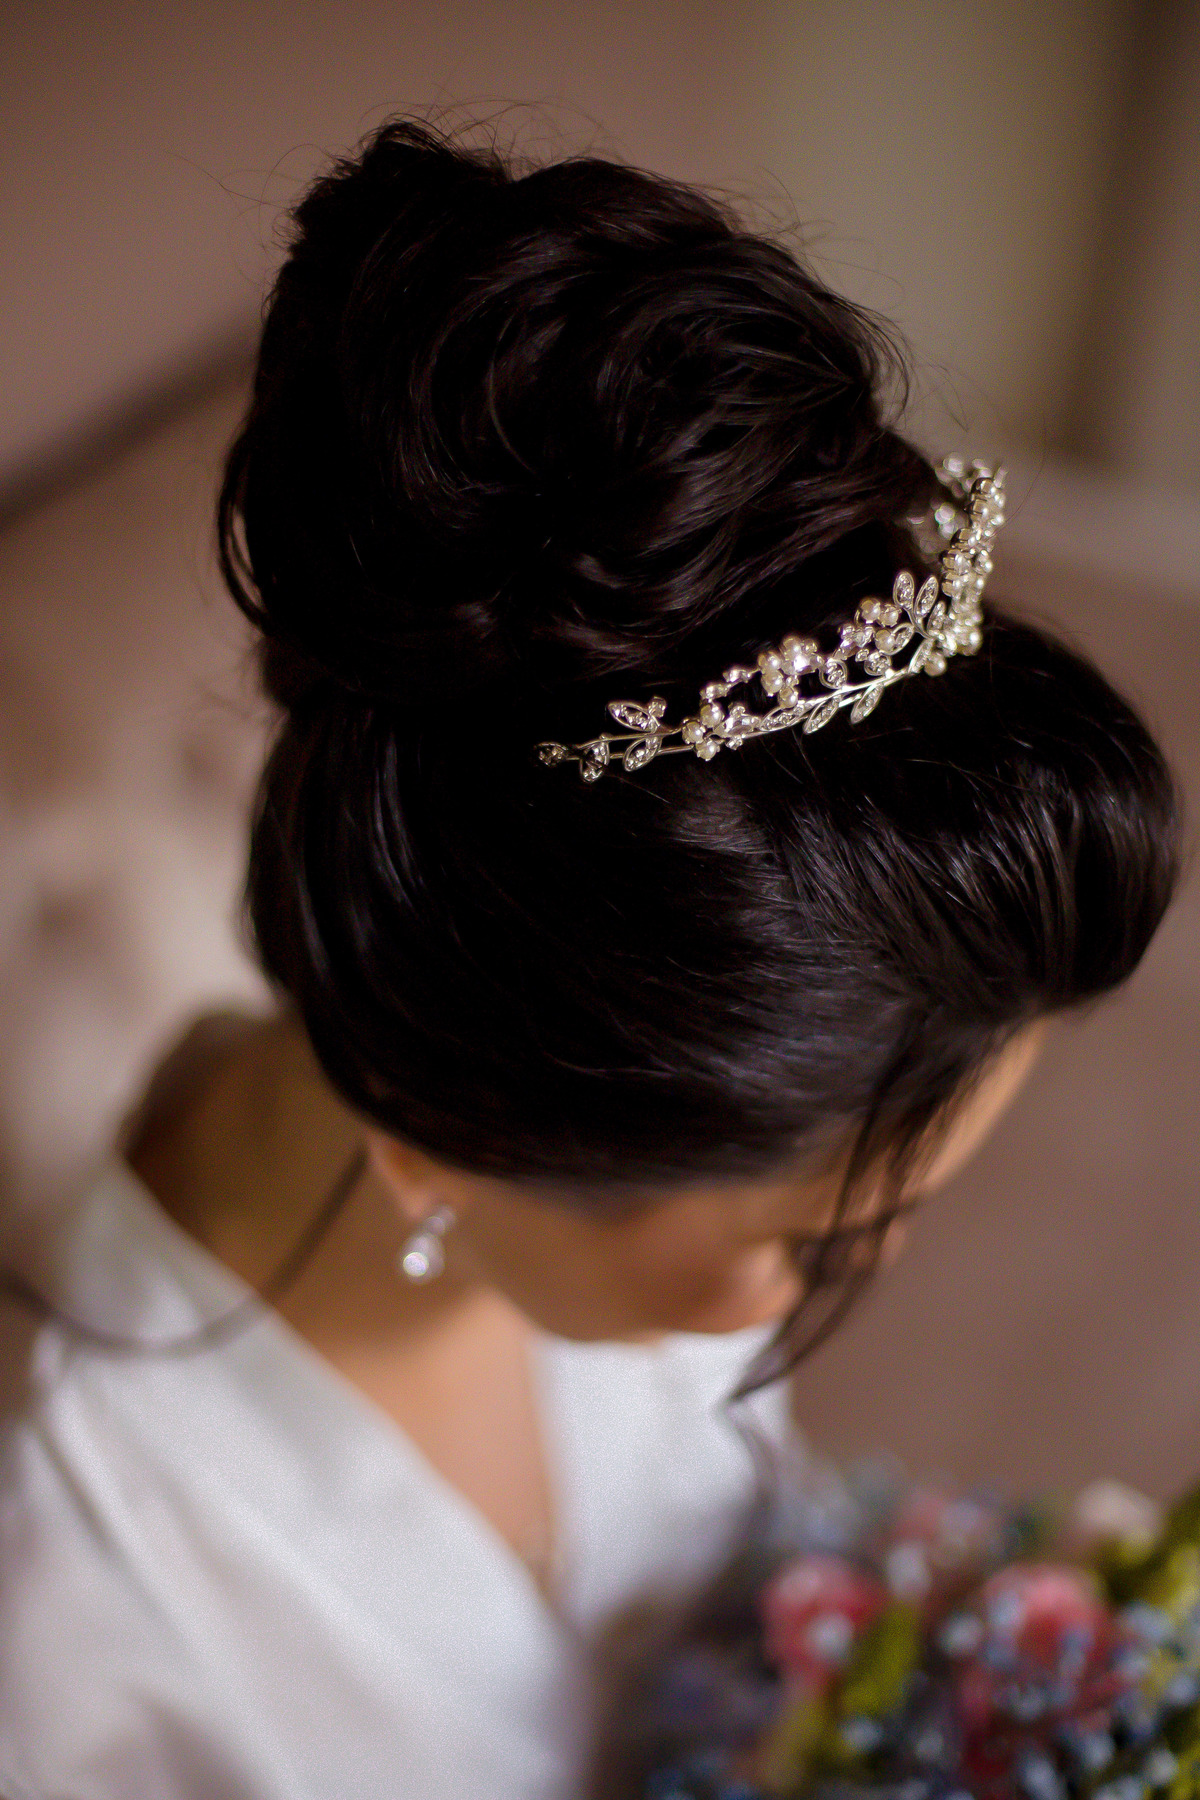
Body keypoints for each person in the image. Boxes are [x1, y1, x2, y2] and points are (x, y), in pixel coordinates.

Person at [0, 118, 1179, 1800]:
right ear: (441, 1137)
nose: (884, 1253)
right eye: (820, 1244)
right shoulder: (81, 1629)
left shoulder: (644, 1132)